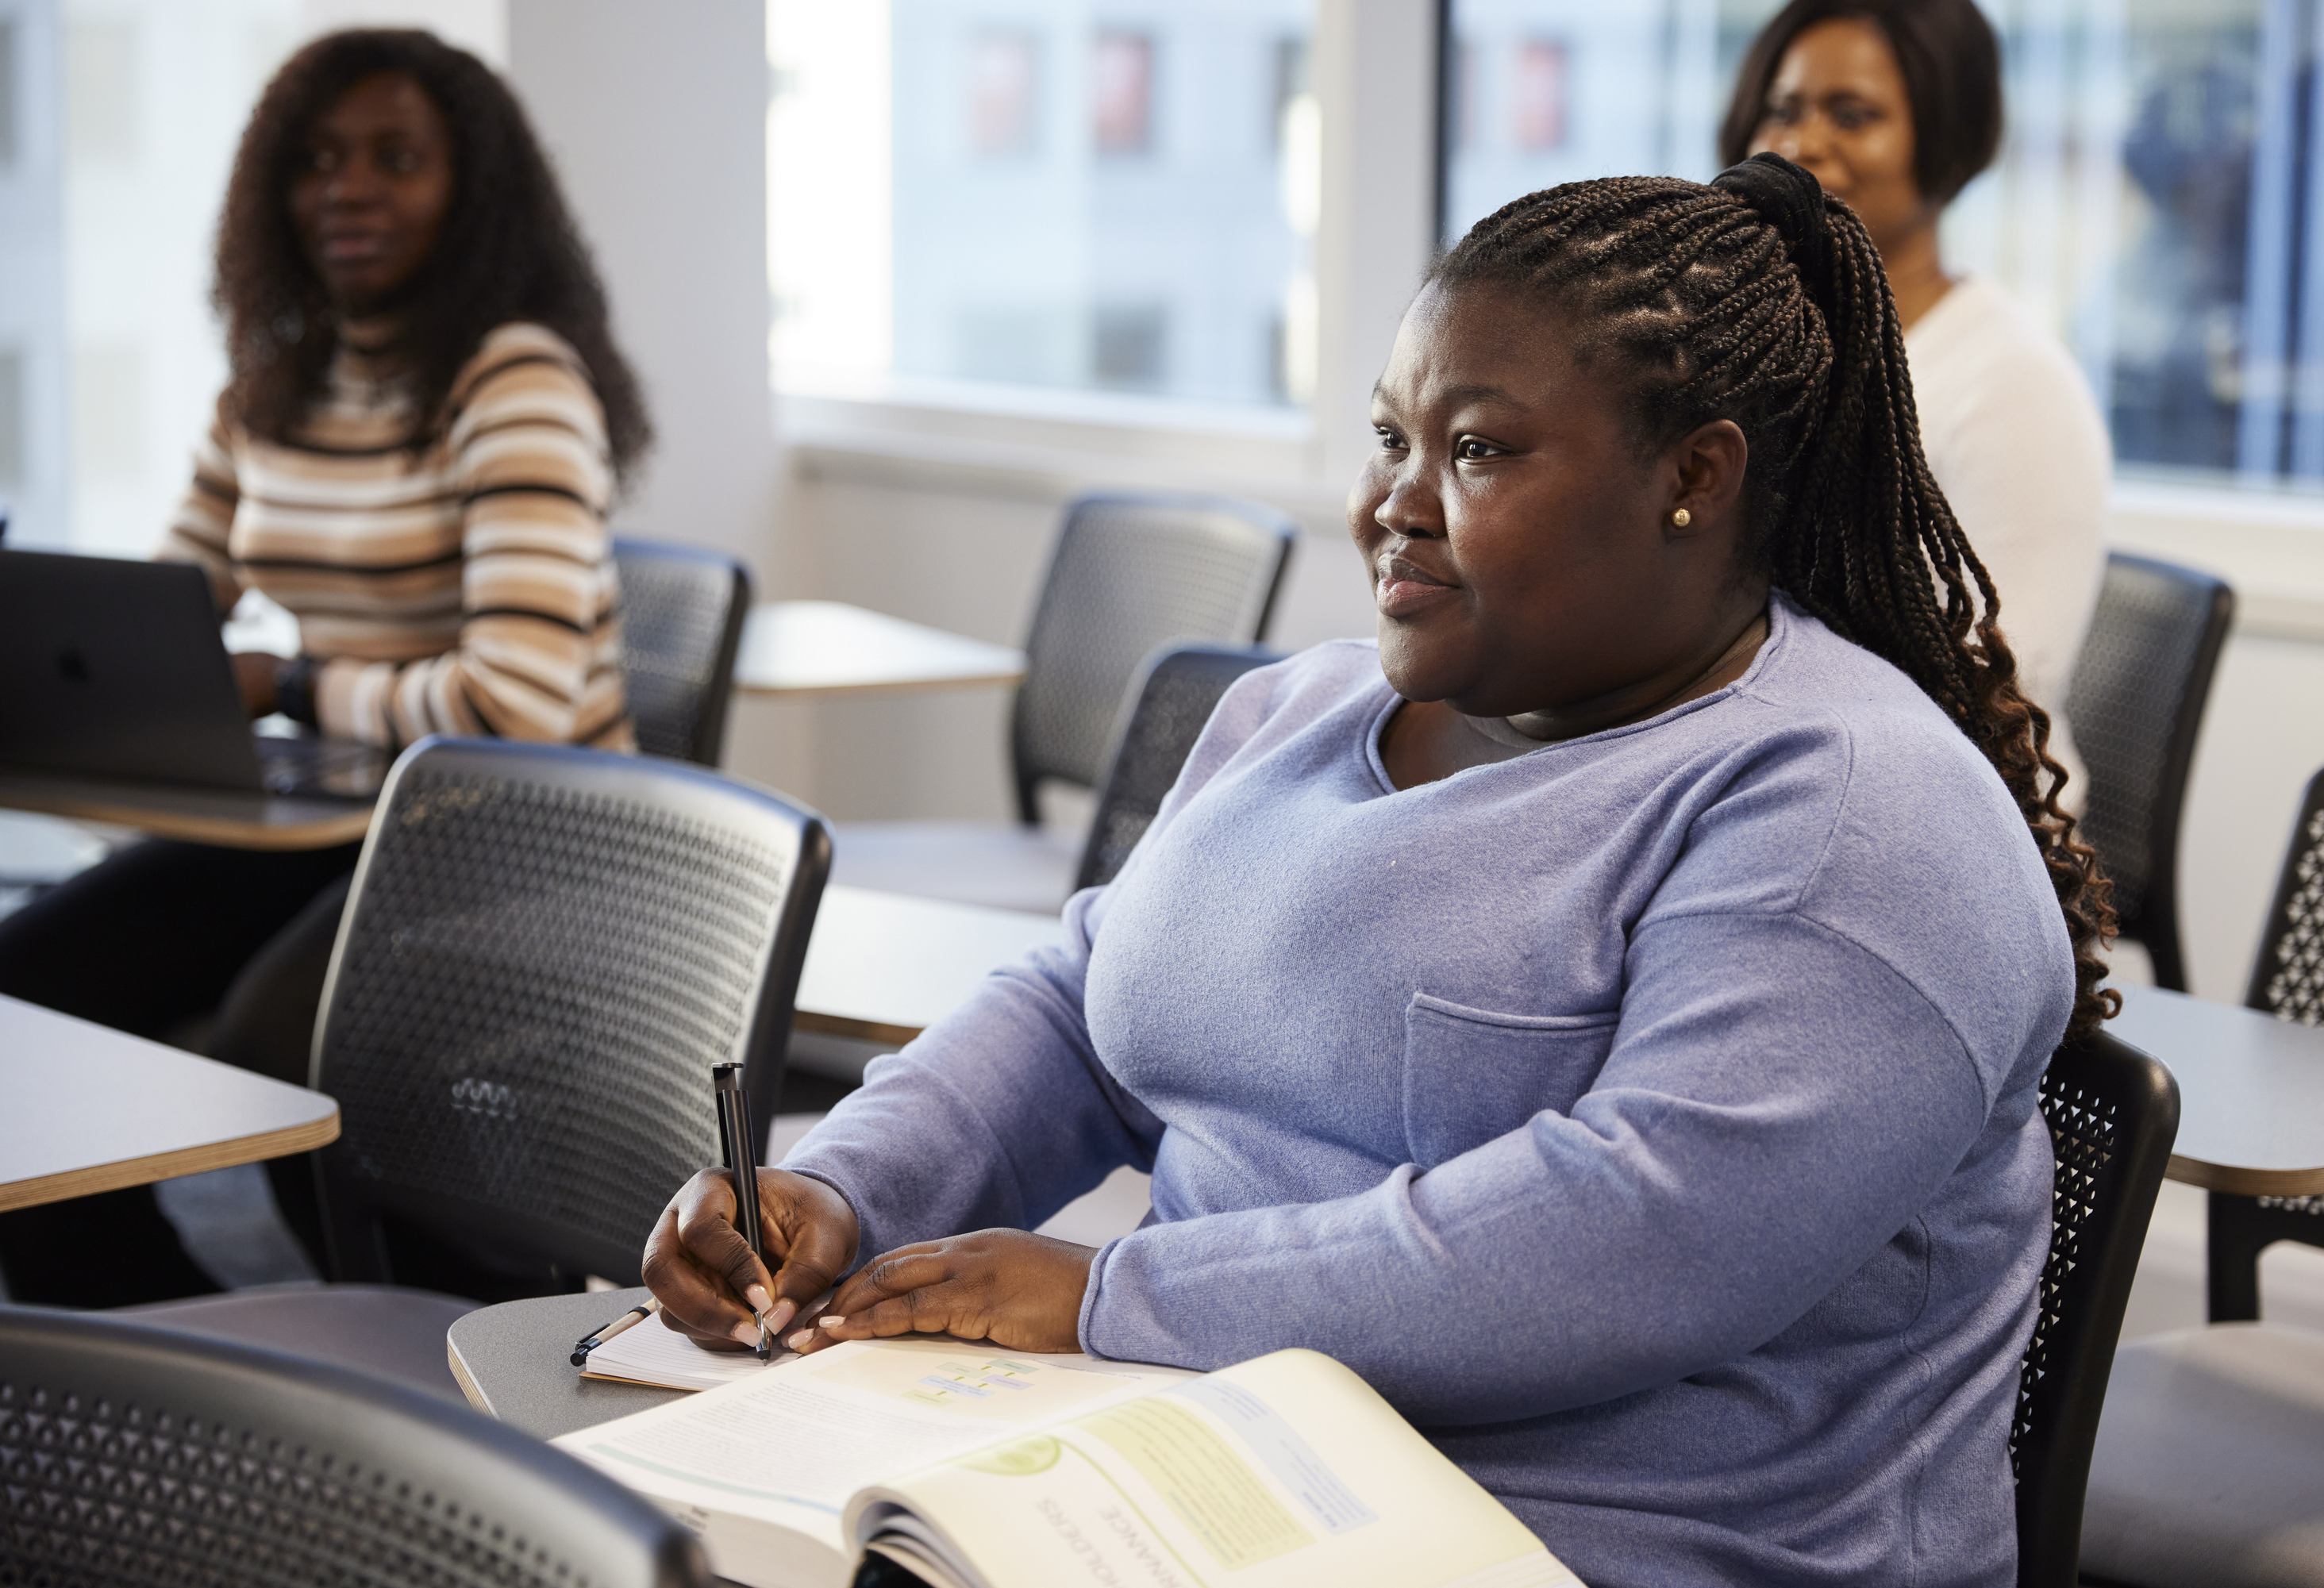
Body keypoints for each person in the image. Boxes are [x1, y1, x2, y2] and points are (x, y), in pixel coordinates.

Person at [640, 154, 2115, 1586]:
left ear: (1695, 477)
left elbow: (1632, 1240)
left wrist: (1110, 1297)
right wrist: (843, 1187)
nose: (1397, 501)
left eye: (1476, 449)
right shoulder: (1306, 708)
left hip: (1600, 1536)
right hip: (1199, 1461)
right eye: (1391, 438)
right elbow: (1088, 1003)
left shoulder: (1857, 814)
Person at [0, 29, 646, 1305]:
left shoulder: (512, 378)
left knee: (280, 1042)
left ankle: (469, 1348)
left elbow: (507, 704)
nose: (348, 188)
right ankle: (164, 1346)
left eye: (395, 159)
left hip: (529, 834)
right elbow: (172, 606)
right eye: (317, 162)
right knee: (28, 993)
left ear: (473, 192)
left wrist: (288, 683)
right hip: (335, 825)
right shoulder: (271, 386)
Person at [1722, 0, 2109, 795]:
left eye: (1853, 115)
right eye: (1783, 109)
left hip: (1954, 805)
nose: (1801, 144)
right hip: (1768, 761)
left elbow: (1999, 690)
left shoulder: (2014, 387)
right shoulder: (1757, 347)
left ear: (1947, 140)